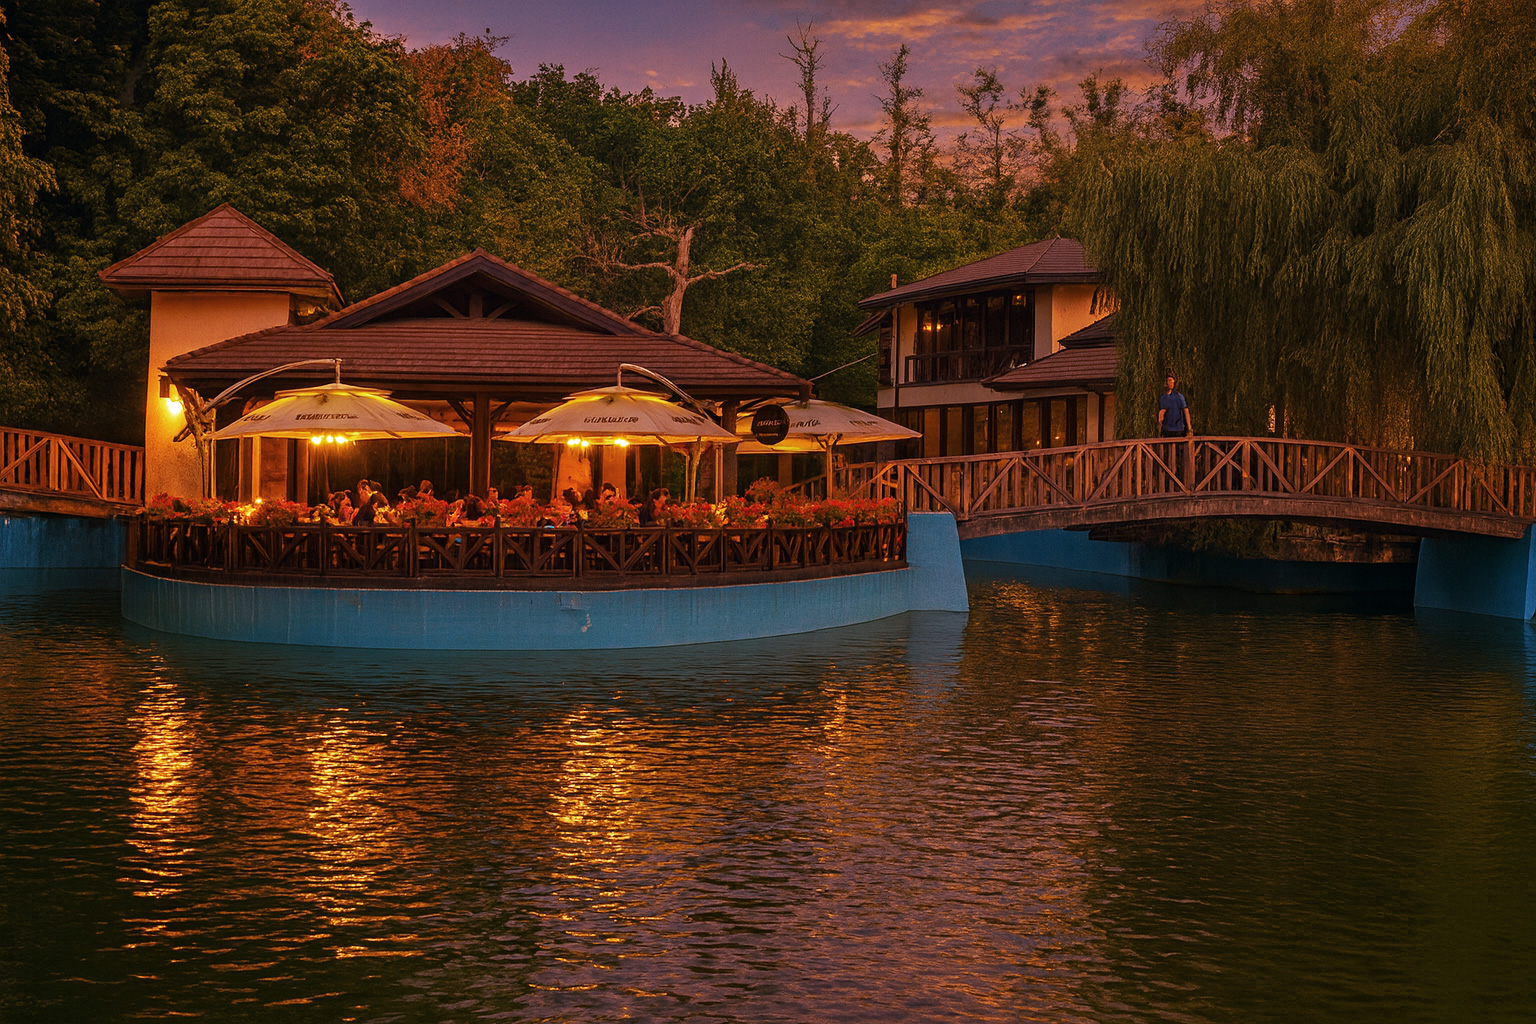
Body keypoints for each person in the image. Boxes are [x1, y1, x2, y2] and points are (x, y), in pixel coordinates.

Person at [1157, 372, 1193, 438]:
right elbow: (1162, 413)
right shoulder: (1163, 397)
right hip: (1167, 429)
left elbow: (1185, 411)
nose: (1172, 383)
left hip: (1178, 428)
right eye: (1170, 381)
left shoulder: (1179, 396)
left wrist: (1189, 428)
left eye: (1173, 381)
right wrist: (1159, 429)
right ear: (1166, 382)